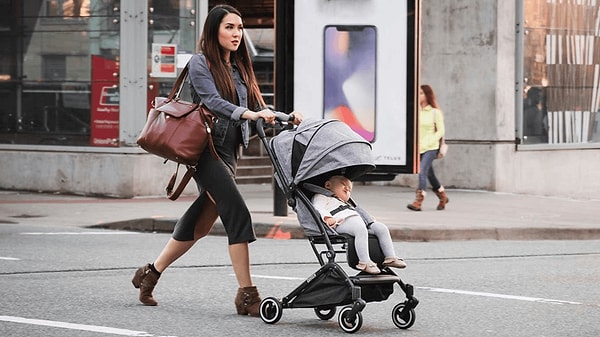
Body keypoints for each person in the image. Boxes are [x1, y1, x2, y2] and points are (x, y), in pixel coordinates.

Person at [131, 4, 302, 317]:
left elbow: (257, 103)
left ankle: (150, 273)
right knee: (237, 212)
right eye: (229, 27)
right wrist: (248, 114)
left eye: (239, 28)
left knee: (202, 220)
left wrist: (284, 116)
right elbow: (212, 101)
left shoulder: (238, 67)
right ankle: (247, 295)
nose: (237, 33)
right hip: (206, 150)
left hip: (230, 150)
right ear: (214, 30)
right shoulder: (200, 63)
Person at [312, 175, 407, 275]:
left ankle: (390, 257)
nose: (347, 189)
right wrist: (327, 217)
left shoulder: (345, 203)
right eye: (344, 185)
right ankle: (364, 262)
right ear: (328, 185)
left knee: (381, 228)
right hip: (339, 222)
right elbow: (318, 208)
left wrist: (369, 219)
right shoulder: (322, 196)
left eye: (349, 190)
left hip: (357, 222)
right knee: (360, 229)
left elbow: (359, 213)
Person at [407, 84, 449, 211]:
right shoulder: (416, 112)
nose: (418, 95)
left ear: (427, 95)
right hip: (418, 148)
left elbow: (441, 131)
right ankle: (442, 196)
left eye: (421, 93)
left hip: (431, 147)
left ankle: (418, 201)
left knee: (422, 171)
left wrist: (430, 141)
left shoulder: (435, 112)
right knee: (430, 175)